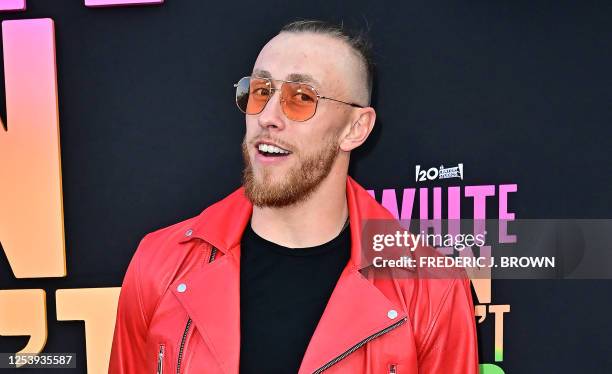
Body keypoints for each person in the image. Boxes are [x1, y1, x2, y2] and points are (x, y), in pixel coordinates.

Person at [108, 19, 478, 374]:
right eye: (260, 91)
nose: (268, 116)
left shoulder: (431, 287)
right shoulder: (160, 263)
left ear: (356, 128)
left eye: (301, 97)